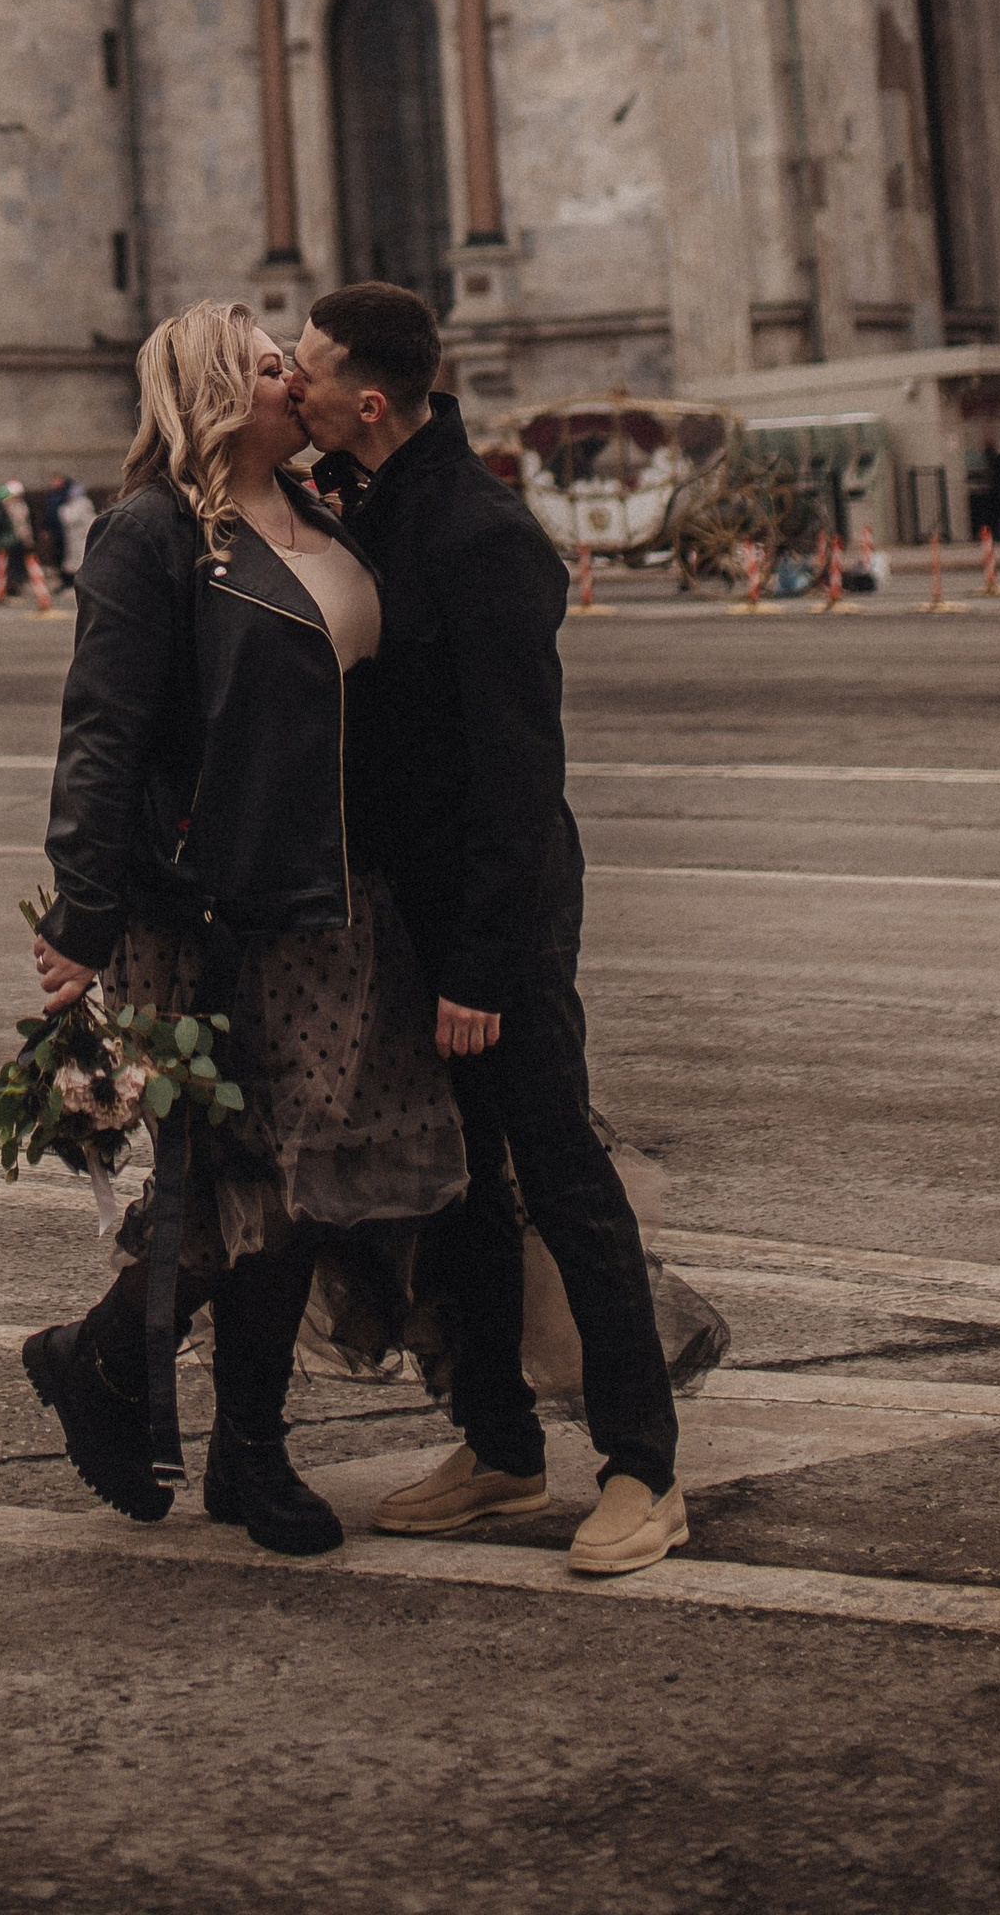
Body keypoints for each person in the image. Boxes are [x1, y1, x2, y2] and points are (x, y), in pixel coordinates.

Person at [23, 301, 465, 1557]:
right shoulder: (151, 536)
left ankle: (106, 1364)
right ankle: (240, 1450)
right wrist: (82, 914)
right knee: (250, 1182)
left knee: (300, 1185)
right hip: (214, 912)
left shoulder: (321, 514)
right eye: (275, 369)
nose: (299, 386)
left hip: (337, 902)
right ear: (219, 396)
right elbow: (100, 732)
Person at [288, 278, 687, 1581]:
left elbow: (521, 779)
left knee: (562, 1175)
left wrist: (481, 961)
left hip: (497, 918)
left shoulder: (479, 535)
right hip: (417, 915)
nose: (288, 379)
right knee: (461, 1189)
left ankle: (641, 1467)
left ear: (366, 396)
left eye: (305, 363)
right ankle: (502, 1446)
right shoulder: (377, 510)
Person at [0, 477, 52, 610]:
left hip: (21, 542)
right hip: (18, 542)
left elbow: (23, 526)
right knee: (16, 568)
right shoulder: (9, 508)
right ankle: (15, 591)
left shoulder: (16, 507)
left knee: (28, 568)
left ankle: (40, 596)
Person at [51, 471, 96, 582]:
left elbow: (69, 518)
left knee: (77, 560)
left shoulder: (80, 504)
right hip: (75, 537)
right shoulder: (82, 504)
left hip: (79, 536)